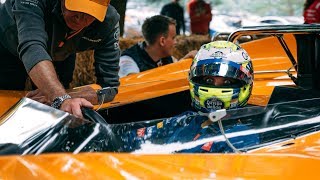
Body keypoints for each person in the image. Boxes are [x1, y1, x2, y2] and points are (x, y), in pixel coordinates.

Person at [108, 41, 259, 153]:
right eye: (208, 80)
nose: (215, 89)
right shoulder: (185, 120)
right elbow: (133, 138)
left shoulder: (242, 138)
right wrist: (107, 138)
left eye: (227, 82)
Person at [0, 0, 121, 118]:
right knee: (9, 100)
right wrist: (61, 98)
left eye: (89, 13)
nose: (79, 18)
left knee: (57, 100)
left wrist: (64, 95)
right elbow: (32, 47)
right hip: (9, 44)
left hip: (62, 52)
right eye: (75, 7)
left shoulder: (109, 22)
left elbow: (110, 87)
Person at [118, 15, 197, 78]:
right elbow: (136, 86)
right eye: (173, 38)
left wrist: (185, 62)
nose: (176, 42)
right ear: (162, 41)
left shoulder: (166, 57)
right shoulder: (128, 61)